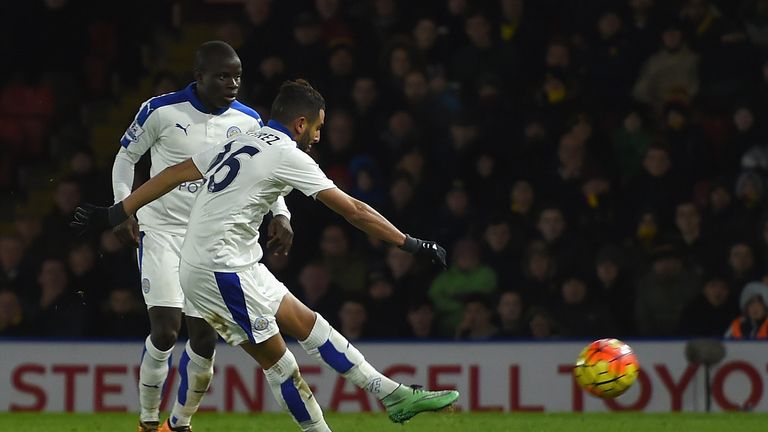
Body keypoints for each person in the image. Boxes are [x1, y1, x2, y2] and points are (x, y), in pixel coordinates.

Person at [73, 79, 458, 431]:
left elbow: (175, 173)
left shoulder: (243, 140)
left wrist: (115, 212)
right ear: (301, 123)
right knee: (282, 365)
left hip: (235, 262)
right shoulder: (289, 155)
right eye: (319, 128)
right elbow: (354, 211)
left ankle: (392, 394)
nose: (319, 137)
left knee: (311, 325)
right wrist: (410, 243)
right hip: (218, 270)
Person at [110, 40, 295, 432]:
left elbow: (270, 170)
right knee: (164, 331)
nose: (232, 84)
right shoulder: (160, 110)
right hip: (161, 231)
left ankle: (179, 423)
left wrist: (281, 213)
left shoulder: (249, 121)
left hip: (210, 240)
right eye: (223, 76)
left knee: (205, 341)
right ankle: (147, 422)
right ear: (199, 77)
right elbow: (126, 156)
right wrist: (123, 207)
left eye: (237, 77)